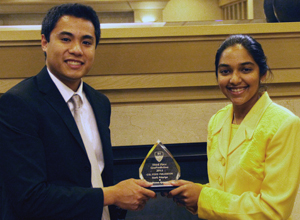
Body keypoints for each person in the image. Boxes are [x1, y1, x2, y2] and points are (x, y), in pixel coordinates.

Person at [0, 3, 156, 220]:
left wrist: (124, 199)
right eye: (66, 39)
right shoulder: (18, 103)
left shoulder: (100, 103)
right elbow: (29, 197)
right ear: (44, 42)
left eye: (87, 42)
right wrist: (110, 195)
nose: (76, 50)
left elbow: (96, 175)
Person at [167, 34, 300, 219]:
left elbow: (273, 211)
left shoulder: (285, 124)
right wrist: (190, 192)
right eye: (225, 71)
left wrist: (202, 197)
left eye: (245, 69)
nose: (235, 79)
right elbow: (223, 190)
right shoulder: (217, 121)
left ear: (263, 73)